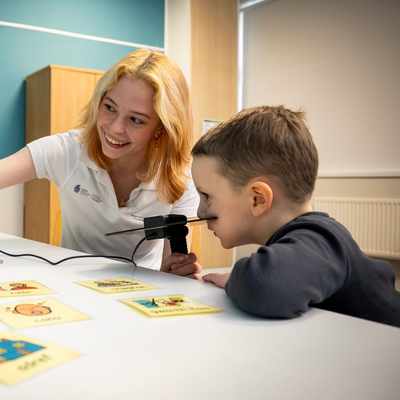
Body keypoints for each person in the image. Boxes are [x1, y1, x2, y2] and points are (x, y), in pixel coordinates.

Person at [187, 105, 400, 327]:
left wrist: (235, 280)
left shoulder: (320, 238)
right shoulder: (308, 240)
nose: (200, 212)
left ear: (257, 199)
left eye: (206, 196)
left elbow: (265, 286)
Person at [0, 49, 200, 277]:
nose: (115, 128)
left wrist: (176, 273)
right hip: (70, 284)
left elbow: (172, 269)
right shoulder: (68, 151)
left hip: (140, 293)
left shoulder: (179, 179)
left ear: (162, 128)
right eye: (109, 107)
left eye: (136, 120)